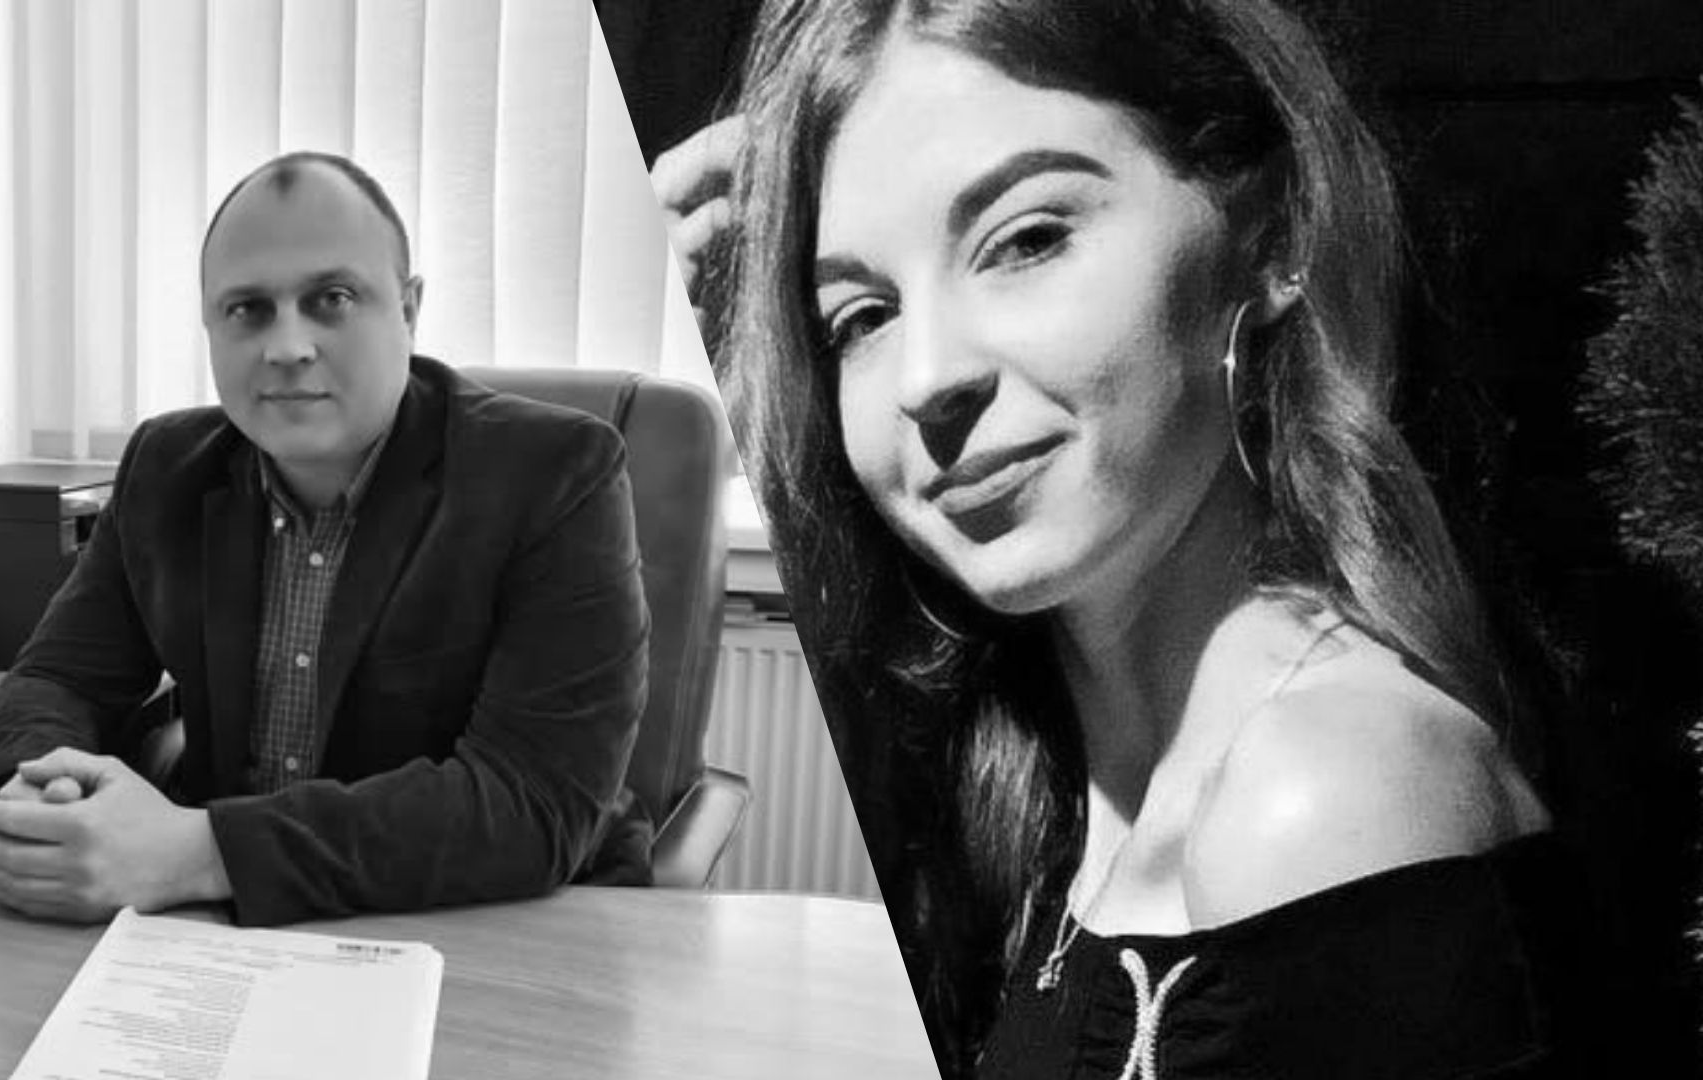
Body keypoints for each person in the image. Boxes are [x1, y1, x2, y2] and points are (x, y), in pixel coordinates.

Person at [656, 1, 1601, 1076]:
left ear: (1273, 238)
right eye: (862, 318)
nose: (927, 379)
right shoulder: (1045, 784)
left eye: (1027, 240)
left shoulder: (1321, 792)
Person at [0, 152, 651, 928]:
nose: (287, 346)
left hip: (494, 924)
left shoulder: (555, 473)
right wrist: (41, 793)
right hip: (222, 933)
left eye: (333, 299)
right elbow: (57, 678)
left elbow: (530, 801)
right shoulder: (166, 468)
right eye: (248, 308)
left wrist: (199, 851)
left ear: (408, 308)